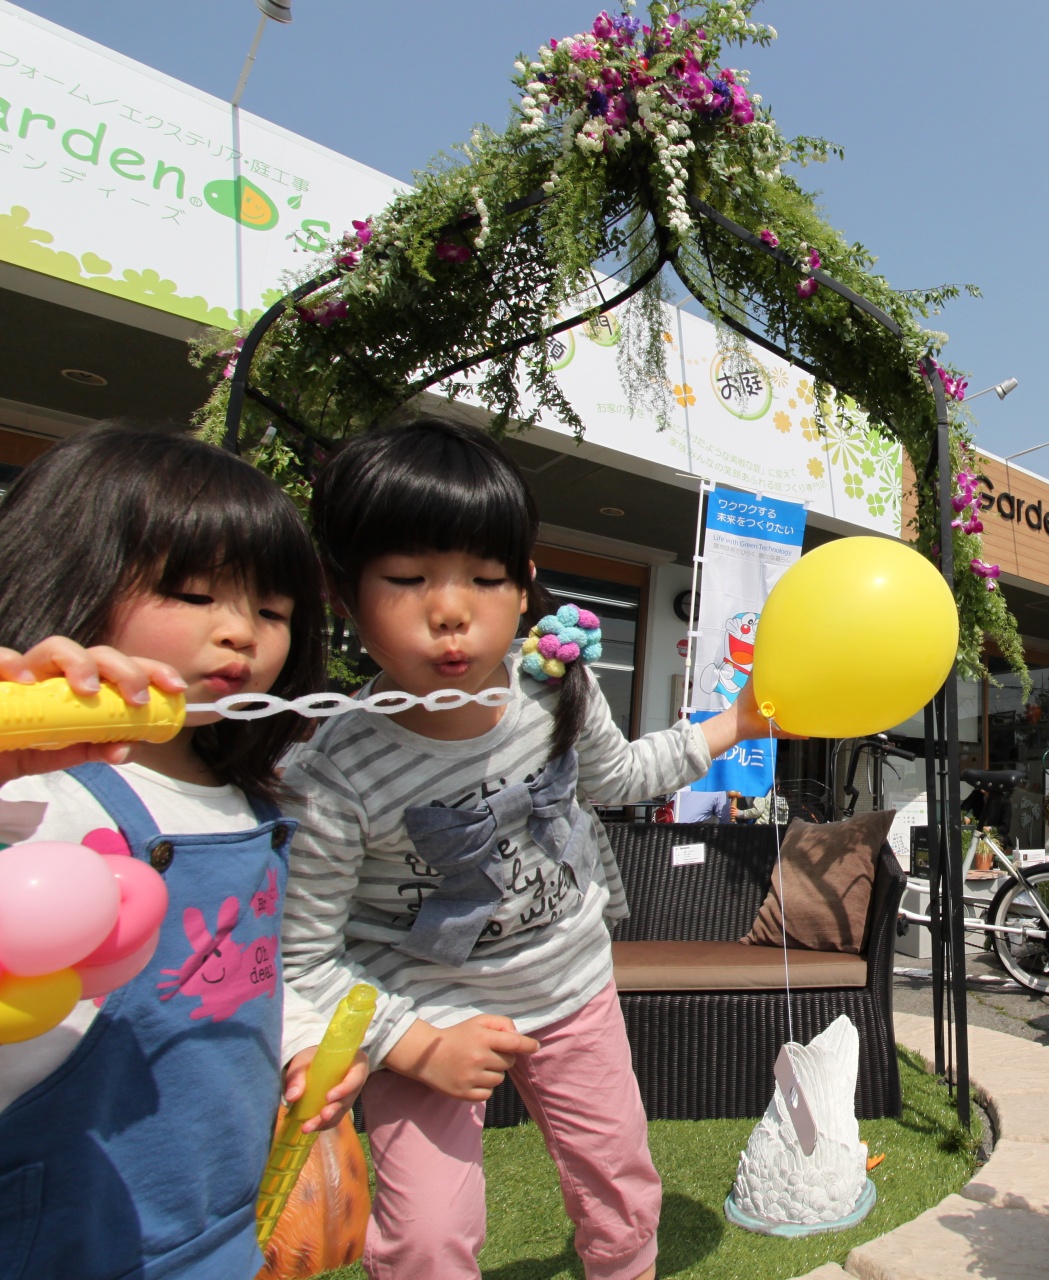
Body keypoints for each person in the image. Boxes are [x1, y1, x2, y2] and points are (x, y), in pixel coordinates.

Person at [279, 419, 785, 1280]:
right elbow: (303, 961)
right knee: (426, 1242)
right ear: (343, 593)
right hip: (424, 1016)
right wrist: (411, 1049)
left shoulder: (554, 689)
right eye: (406, 579)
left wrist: (730, 726)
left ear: (525, 590)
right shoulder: (332, 773)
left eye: (484, 577)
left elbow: (621, 776)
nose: (450, 609)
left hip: (573, 991)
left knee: (620, 1190)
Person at [0, 426, 361, 1279]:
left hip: (219, 1224)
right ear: (65, 572)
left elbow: (248, 972)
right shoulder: (33, 795)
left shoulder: (257, 804)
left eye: (271, 610)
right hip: (59, 1234)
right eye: (193, 593)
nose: (241, 633)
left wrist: (301, 1045)